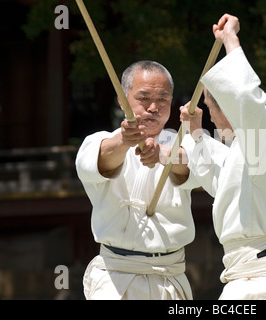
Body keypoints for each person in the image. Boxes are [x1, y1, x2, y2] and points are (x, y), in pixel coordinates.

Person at [180, 14, 266, 299]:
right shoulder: (249, 149)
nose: (212, 121)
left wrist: (230, 40)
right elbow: (222, 179)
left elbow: (244, 95)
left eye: (210, 108)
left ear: (228, 105)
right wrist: (196, 135)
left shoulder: (265, 130)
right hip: (252, 277)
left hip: (263, 280)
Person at [76, 60, 197, 300]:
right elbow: (100, 160)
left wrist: (163, 154)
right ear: (123, 101)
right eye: (144, 98)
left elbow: (193, 165)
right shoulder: (99, 141)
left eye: (163, 99)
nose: (154, 107)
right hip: (115, 280)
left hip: (168, 278)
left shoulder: (184, 143)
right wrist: (124, 141)